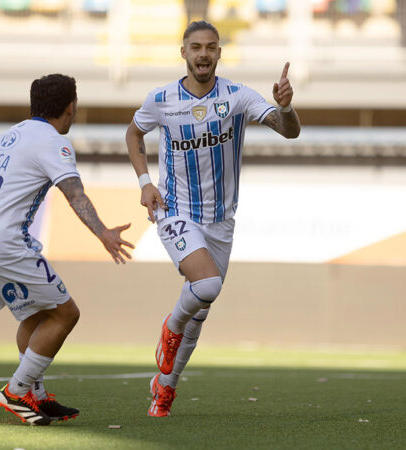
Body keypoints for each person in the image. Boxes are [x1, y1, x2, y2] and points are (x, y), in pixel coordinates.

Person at [126, 20, 300, 417]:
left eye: (210, 47)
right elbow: (133, 135)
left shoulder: (238, 97)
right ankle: (170, 327)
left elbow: (288, 131)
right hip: (175, 210)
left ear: (219, 53)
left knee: (201, 310)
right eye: (195, 47)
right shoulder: (161, 99)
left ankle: (165, 387)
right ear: (183, 53)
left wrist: (286, 107)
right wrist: (144, 182)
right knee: (206, 285)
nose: (203, 54)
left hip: (221, 219)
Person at [0, 74, 133, 426]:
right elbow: (74, 193)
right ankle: (16, 390)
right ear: (70, 107)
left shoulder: (10, 135)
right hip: (4, 241)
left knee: (37, 316)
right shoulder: (53, 142)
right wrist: (103, 233)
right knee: (66, 313)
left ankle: (35, 396)